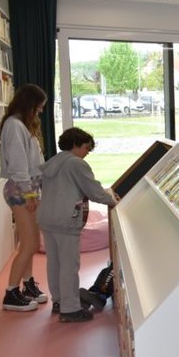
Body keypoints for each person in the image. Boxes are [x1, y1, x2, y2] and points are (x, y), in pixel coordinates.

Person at [37, 127, 119, 322]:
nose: (87, 153)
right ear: (75, 144)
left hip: (47, 218)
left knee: (54, 263)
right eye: (86, 148)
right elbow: (94, 191)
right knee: (69, 265)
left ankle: (59, 301)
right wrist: (113, 200)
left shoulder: (52, 162)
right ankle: (70, 308)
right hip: (66, 220)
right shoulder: (76, 164)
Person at [0, 83, 49, 312]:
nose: (41, 110)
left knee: (32, 243)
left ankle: (27, 284)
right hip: (21, 191)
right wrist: (30, 194)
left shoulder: (21, 125)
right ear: (30, 103)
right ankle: (11, 293)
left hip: (29, 190)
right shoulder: (14, 126)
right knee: (29, 244)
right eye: (39, 106)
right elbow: (19, 166)